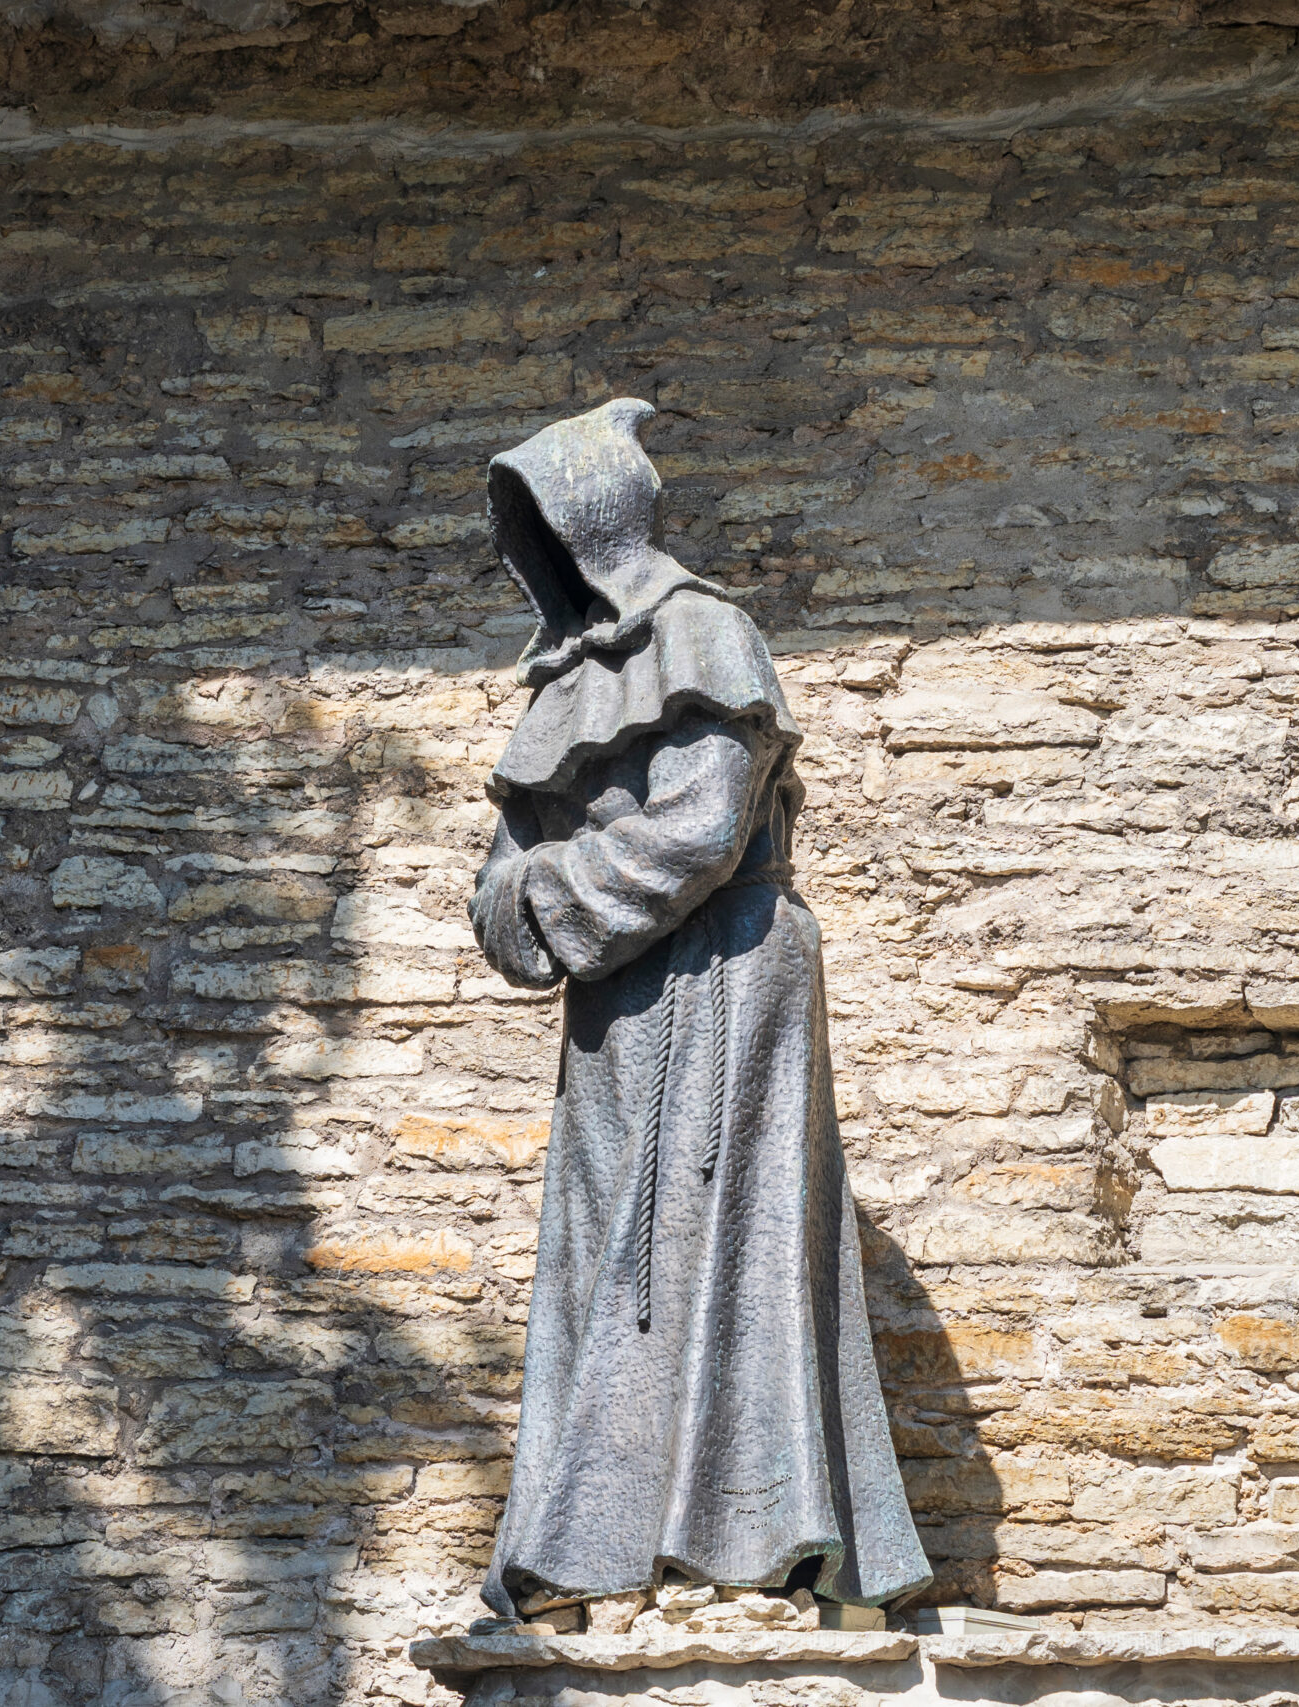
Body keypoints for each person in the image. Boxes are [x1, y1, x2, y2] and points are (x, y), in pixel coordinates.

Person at [468, 397, 932, 1621]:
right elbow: (496, 892)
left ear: (591, 524)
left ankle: (745, 1537)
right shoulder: (564, 682)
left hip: (730, 974)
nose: (541, 560)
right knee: (603, 1261)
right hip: (616, 1009)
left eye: (548, 527)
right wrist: (542, 900)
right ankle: (587, 1538)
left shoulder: (708, 633)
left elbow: (703, 832)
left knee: (726, 1242)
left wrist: (554, 891)